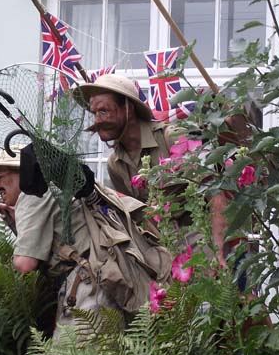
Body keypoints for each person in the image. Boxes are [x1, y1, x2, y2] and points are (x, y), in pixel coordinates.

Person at [0, 146, 130, 337]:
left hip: (87, 289)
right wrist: (21, 223)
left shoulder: (31, 193)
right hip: (98, 280)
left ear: (21, 174)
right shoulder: (51, 189)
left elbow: (25, 264)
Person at [74, 74, 229, 265]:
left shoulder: (172, 137)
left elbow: (216, 196)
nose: (97, 120)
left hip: (204, 246)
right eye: (94, 113)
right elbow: (134, 219)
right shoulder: (116, 164)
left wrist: (219, 253)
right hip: (163, 257)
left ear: (128, 108)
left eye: (104, 111)